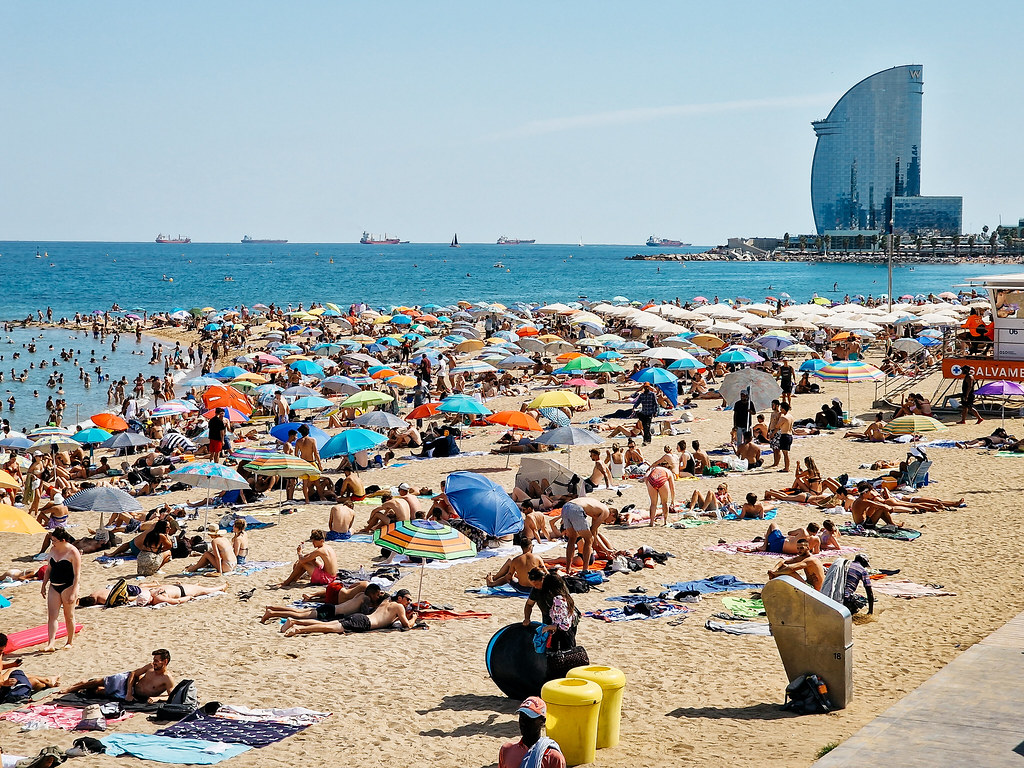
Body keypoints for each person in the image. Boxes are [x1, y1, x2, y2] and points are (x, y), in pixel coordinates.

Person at [281, 589, 418, 635]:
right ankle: (298, 629)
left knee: (331, 624)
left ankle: (295, 621)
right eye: (408, 600)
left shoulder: (387, 601)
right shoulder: (399, 607)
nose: (409, 603)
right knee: (330, 628)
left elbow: (385, 618)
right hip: (364, 622)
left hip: (361, 617)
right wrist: (414, 618)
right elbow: (407, 625)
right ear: (400, 598)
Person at [61, 649, 174, 703]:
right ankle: (73, 687)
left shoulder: (167, 678)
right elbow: (133, 673)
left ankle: (83, 684)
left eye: (156, 661)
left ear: (164, 661)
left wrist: (157, 698)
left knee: (98, 692)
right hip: (128, 683)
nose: (154, 663)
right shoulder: (149, 667)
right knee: (97, 681)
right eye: (154, 660)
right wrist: (129, 693)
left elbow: (172, 696)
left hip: (134, 695)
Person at [261, 583, 386, 624]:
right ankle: (271, 613)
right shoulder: (366, 600)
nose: (377, 596)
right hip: (331, 610)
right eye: (376, 594)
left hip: (332, 607)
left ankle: (272, 608)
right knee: (300, 615)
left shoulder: (360, 595)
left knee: (301, 612)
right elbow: (365, 614)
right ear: (371, 593)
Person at [41, 527, 81, 652]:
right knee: (52, 616)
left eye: (54, 540)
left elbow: (77, 574)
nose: (52, 542)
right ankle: (51, 643)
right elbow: (49, 569)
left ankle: (69, 641)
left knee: (68, 615)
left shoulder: (73, 552)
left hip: (68, 585)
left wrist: (74, 592)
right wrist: (43, 585)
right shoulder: (53, 550)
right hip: (54, 585)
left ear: (63, 540)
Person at [498, 696, 566, 768]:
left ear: (543, 721)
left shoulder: (553, 757)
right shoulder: (507, 750)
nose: (523, 722)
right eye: (521, 718)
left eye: (529, 719)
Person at [523, 569, 580, 653]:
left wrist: (550, 627)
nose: (535, 587)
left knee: (566, 647)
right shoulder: (536, 590)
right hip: (552, 618)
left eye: (536, 584)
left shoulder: (556, 590)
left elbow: (564, 625)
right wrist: (527, 618)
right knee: (553, 647)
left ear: (543, 579)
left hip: (566, 618)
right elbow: (529, 604)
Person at [741, 522, 821, 554]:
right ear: (816, 532)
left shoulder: (803, 531)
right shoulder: (817, 539)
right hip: (782, 550)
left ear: (808, 528)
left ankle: (764, 545)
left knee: (773, 525)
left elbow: (789, 533)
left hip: (780, 544)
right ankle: (757, 547)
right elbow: (816, 552)